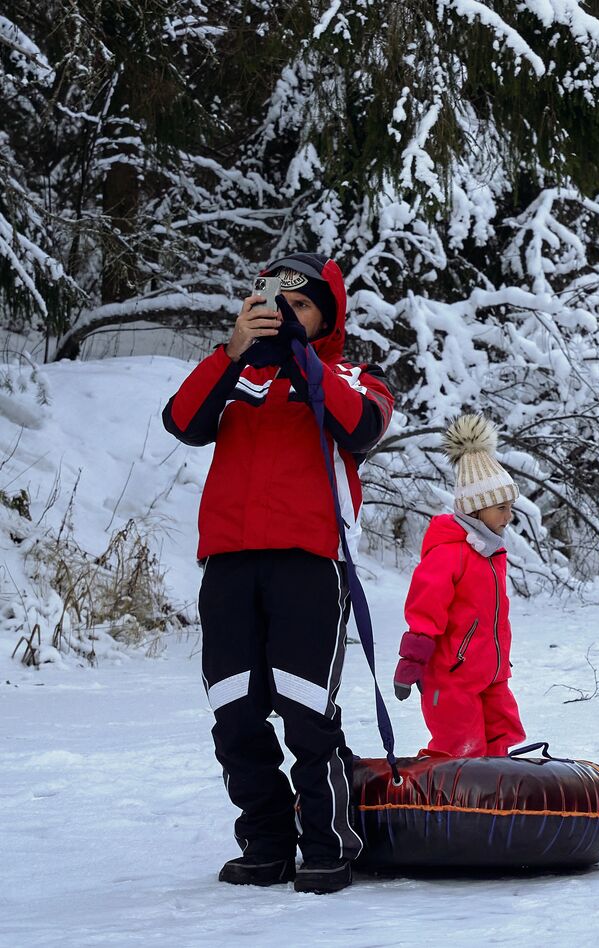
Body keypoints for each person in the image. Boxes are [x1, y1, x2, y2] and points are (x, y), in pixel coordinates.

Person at [162, 253, 394, 894]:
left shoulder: (350, 375)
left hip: (307, 564)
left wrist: (306, 361)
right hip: (229, 564)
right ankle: (266, 843)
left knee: (306, 713)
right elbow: (182, 421)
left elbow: (364, 426)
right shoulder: (233, 373)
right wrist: (232, 350)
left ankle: (326, 844)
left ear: (327, 317)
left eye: (301, 306)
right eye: (273, 302)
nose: (284, 315)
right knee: (235, 715)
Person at [392, 414, 526, 758]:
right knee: (461, 744)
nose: (508, 515)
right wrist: (411, 662)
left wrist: (501, 661)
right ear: (476, 509)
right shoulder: (449, 553)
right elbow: (425, 609)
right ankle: (446, 796)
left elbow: (492, 616)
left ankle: (498, 796)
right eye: (501, 507)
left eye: (510, 507)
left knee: (501, 736)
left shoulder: (491, 552)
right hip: (452, 676)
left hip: (491, 674)